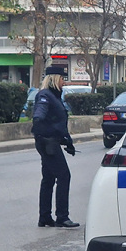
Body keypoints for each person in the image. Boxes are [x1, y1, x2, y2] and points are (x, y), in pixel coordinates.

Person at [32, 66, 79, 228]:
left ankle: (44, 217)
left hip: (50, 141)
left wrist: (68, 142)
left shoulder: (55, 96)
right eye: (62, 79)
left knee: (49, 178)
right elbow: (41, 112)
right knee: (64, 175)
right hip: (47, 143)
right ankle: (62, 217)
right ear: (54, 79)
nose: (64, 83)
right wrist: (38, 118)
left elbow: (58, 124)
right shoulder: (45, 95)